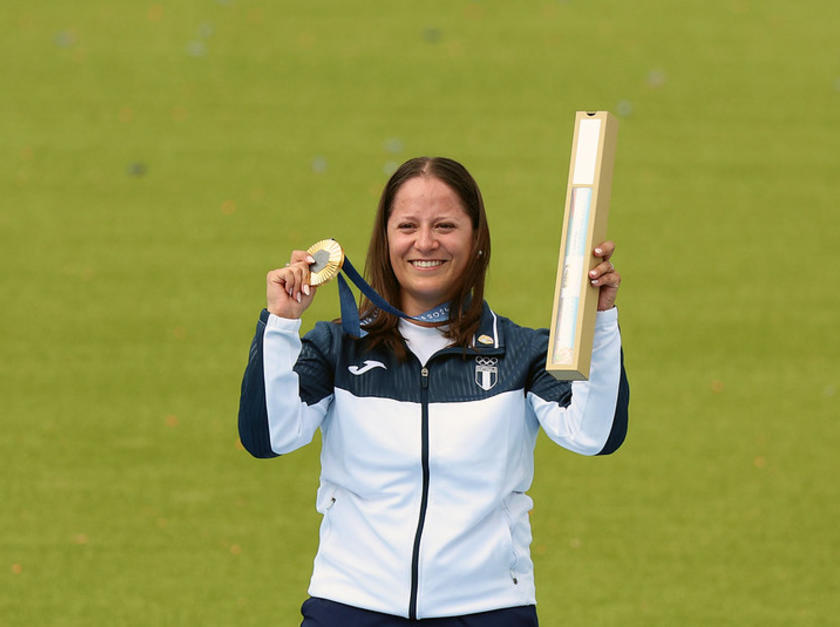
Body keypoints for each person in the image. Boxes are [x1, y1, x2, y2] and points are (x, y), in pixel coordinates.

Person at [238, 157, 629, 626]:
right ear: (385, 240)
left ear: (477, 239)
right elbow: (268, 438)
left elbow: (594, 435)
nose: (425, 242)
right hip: (350, 606)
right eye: (407, 225)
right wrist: (281, 323)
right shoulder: (337, 346)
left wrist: (600, 321)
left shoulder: (521, 352)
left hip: (487, 611)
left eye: (445, 225)